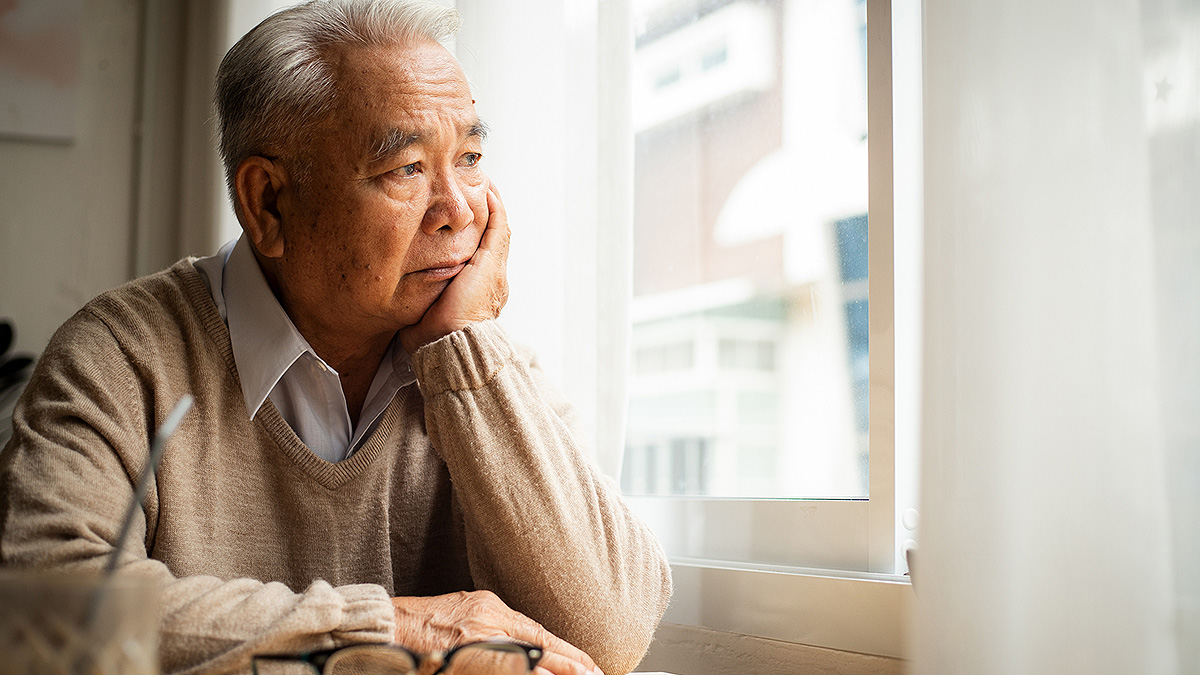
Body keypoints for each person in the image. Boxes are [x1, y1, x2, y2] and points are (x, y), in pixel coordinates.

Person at [0, 1, 672, 674]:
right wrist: (391, 629)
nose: (462, 209)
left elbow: (611, 635)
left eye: (469, 157)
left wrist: (464, 349)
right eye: (407, 168)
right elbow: (43, 616)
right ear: (267, 202)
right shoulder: (120, 355)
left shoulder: (482, 374)